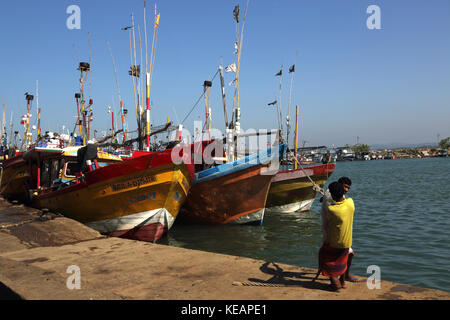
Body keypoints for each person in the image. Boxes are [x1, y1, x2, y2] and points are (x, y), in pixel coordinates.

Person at [320, 177, 359, 283]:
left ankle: (342, 276)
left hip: (338, 231)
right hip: (332, 232)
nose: (346, 190)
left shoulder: (337, 194)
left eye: (348, 188)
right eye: (345, 187)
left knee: (346, 254)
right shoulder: (333, 195)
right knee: (335, 256)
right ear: (339, 184)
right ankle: (336, 279)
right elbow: (332, 214)